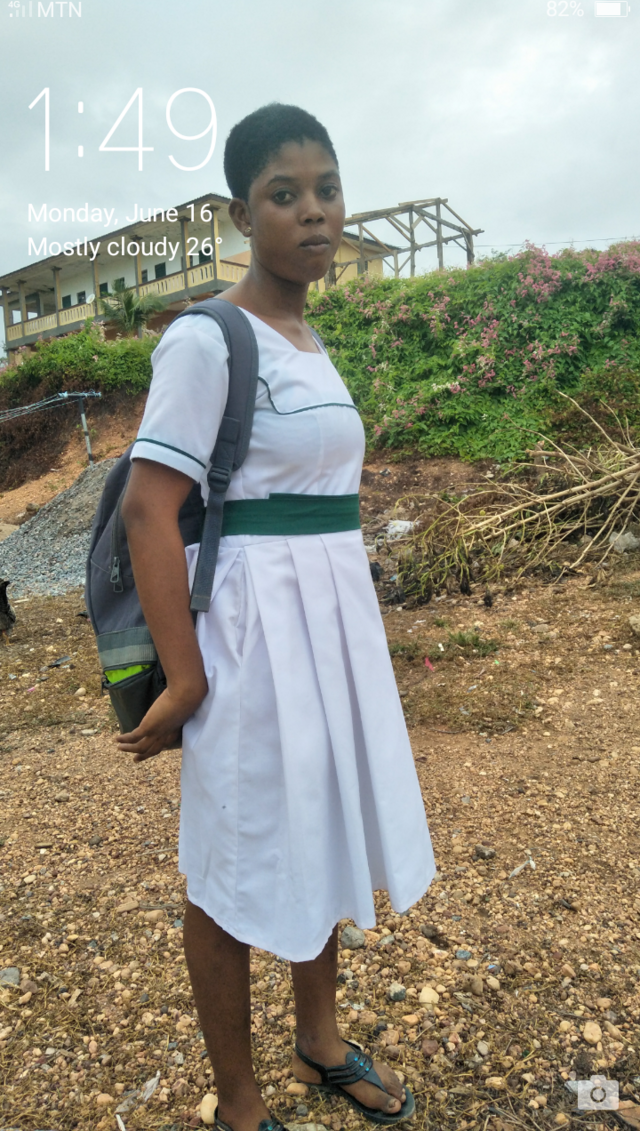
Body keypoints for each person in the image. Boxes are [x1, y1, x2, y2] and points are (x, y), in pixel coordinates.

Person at [119, 103, 436, 1131]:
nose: (313, 213)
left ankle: (319, 1040)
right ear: (240, 214)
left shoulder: (308, 338)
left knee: (320, 824)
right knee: (231, 856)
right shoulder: (206, 340)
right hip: (251, 638)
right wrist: (186, 676)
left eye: (326, 191)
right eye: (284, 194)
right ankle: (239, 1098)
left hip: (330, 632)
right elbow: (147, 509)